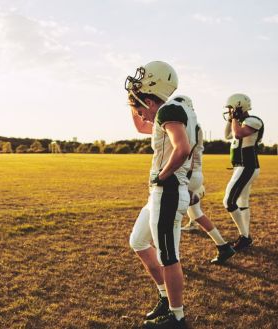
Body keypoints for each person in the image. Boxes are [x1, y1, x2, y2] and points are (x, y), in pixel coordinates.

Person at [126, 61, 195, 329]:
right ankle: (166, 299)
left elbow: (182, 148)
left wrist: (162, 175)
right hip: (161, 194)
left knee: (168, 255)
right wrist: (132, 104)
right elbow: (142, 126)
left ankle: (177, 318)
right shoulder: (171, 111)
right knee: (139, 241)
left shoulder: (171, 108)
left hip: (166, 192)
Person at [174, 96, 236, 265]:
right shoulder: (196, 124)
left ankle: (171, 260)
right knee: (195, 213)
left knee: (172, 216)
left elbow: (184, 151)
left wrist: (184, 178)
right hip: (195, 173)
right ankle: (223, 246)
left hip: (188, 173)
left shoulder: (185, 124)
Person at [222, 93, 264, 251]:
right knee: (242, 202)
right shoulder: (238, 122)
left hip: (247, 166)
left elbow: (239, 134)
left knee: (228, 201)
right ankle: (245, 236)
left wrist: (234, 119)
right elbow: (228, 135)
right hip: (240, 167)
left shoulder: (253, 120)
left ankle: (245, 237)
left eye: (231, 108)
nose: (230, 111)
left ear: (239, 106)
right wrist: (231, 119)